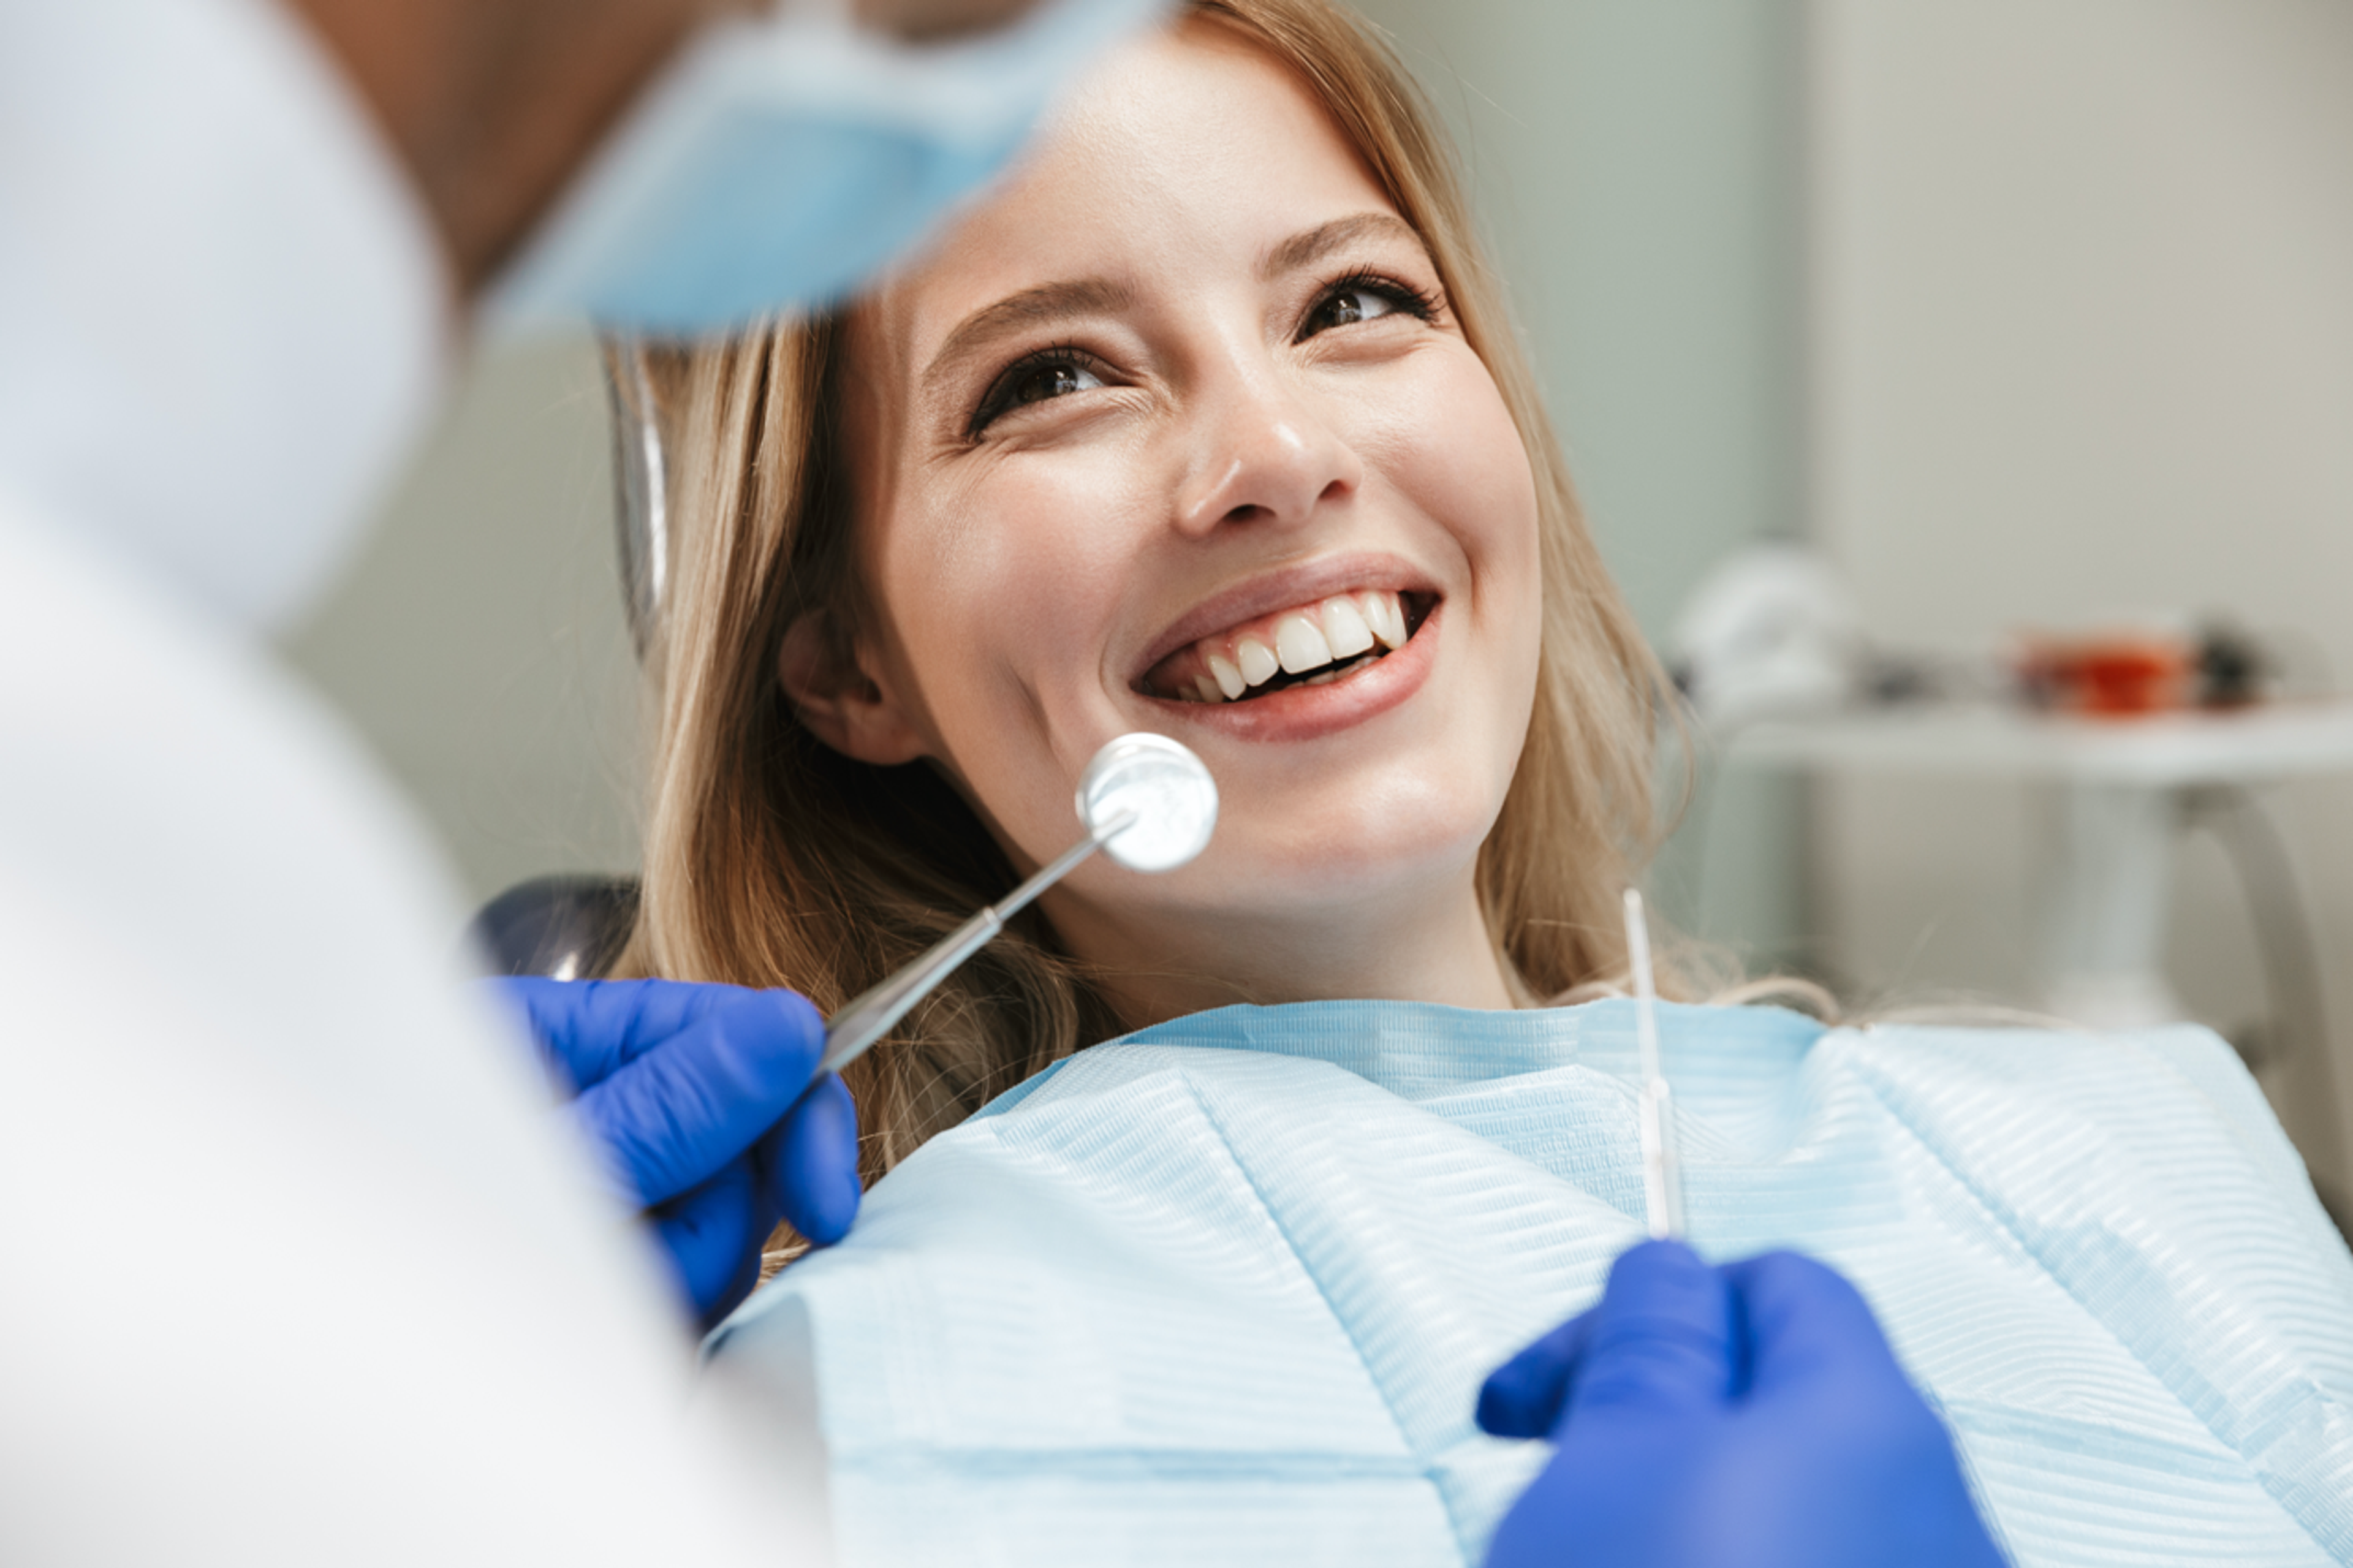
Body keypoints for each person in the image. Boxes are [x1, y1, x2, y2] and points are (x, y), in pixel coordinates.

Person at [607, 1, 2353, 1563]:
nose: (1278, 457)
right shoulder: (796, 1403)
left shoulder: (2142, 1154)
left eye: (1355, 300)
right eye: (1055, 379)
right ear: (848, 666)